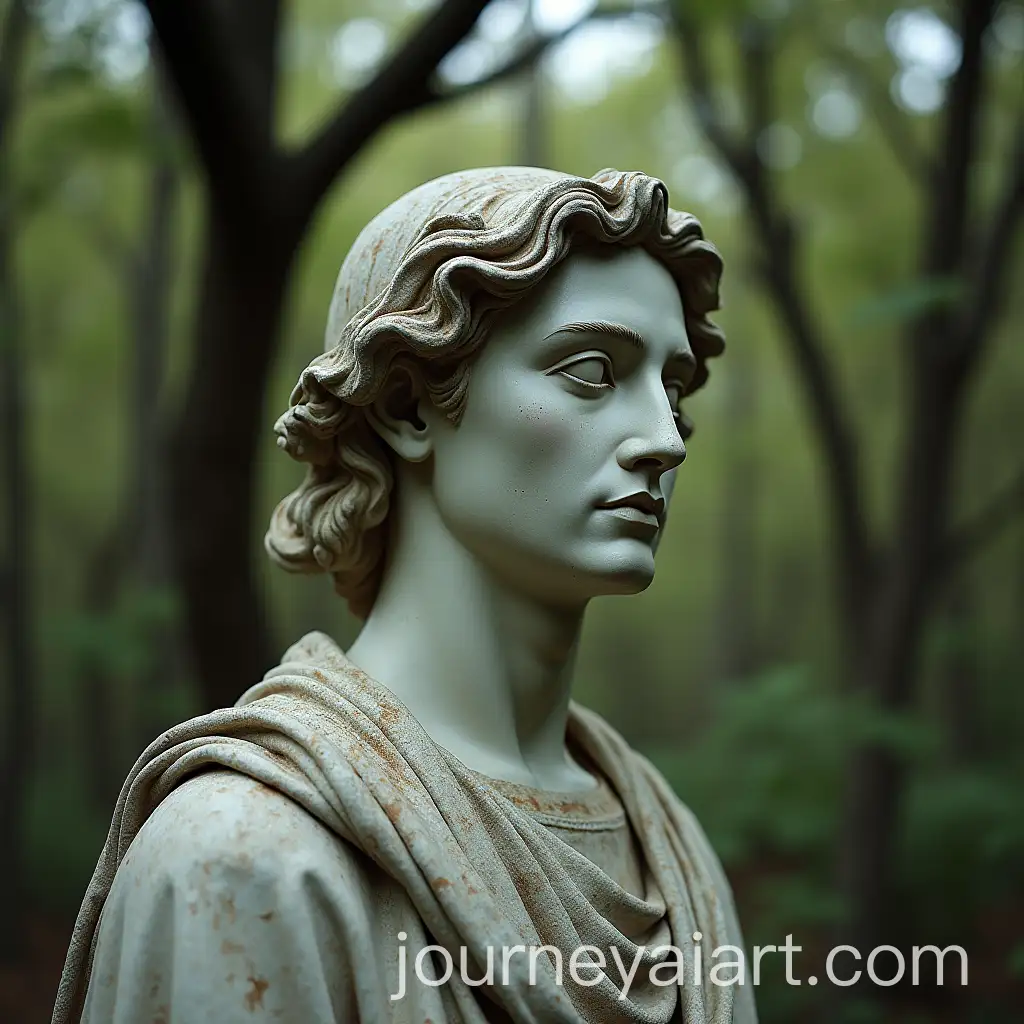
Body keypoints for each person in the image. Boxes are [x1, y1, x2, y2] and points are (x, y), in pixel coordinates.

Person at [54, 167, 757, 1023]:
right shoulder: (241, 857)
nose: (665, 439)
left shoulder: (670, 848)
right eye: (591, 371)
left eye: (672, 390)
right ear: (406, 405)